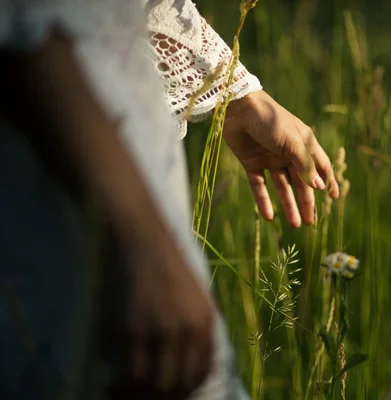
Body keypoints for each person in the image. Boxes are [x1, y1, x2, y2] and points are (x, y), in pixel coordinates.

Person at [0, 0, 338, 399]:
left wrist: (238, 97)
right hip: (70, 183)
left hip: (127, 169)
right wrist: (146, 247)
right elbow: (24, 30)